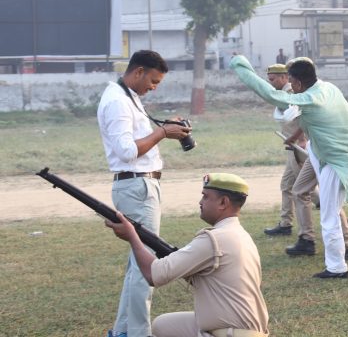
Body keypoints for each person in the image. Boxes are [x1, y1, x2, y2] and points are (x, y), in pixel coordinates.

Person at [231, 55, 348, 279]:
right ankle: (311, 241)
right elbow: (302, 116)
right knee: (301, 189)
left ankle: (337, 267)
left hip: (339, 158)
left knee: (329, 214)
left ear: (299, 83)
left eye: (292, 82)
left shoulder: (311, 98)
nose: (290, 87)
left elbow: (270, 94)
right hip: (325, 149)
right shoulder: (327, 87)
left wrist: (241, 67)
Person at [97, 50, 192, 337]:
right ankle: (138, 333)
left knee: (137, 263)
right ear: (138, 72)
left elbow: (135, 140)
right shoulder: (117, 101)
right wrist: (162, 133)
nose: (154, 87)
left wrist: (164, 126)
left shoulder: (129, 97)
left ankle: (124, 331)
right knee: (146, 265)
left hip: (140, 185)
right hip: (136, 185)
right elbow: (127, 151)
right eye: (153, 81)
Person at [104, 173, 269, 337]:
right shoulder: (239, 234)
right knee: (162, 325)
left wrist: (132, 237)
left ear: (223, 202)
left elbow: (153, 275)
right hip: (243, 329)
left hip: (231, 333)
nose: (200, 202)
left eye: (205, 197)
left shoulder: (215, 238)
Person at [262, 63, 305, 237]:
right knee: (287, 185)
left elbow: (304, 117)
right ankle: (285, 224)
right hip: (292, 147)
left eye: (273, 79)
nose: (271, 83)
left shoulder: (292, 93)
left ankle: (339, 217)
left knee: (305, 189)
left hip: (299, 147)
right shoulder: (281, 95)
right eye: (269, 80)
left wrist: (298, 138)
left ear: (284, 77)